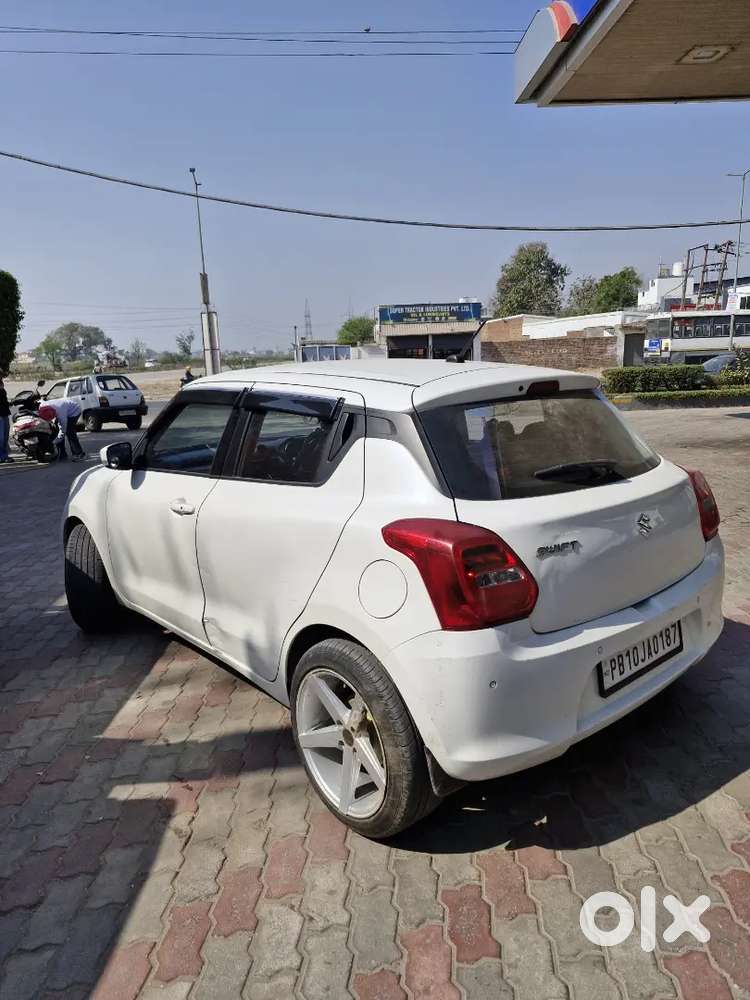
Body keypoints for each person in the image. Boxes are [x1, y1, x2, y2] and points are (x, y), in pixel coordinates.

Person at [0, 375, 14, 464]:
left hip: (5, 414)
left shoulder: (1, 385)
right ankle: (2, 456)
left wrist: (11, 403)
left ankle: (5, 455)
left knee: (5, 437)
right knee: (0, 438)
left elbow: (3, 401)